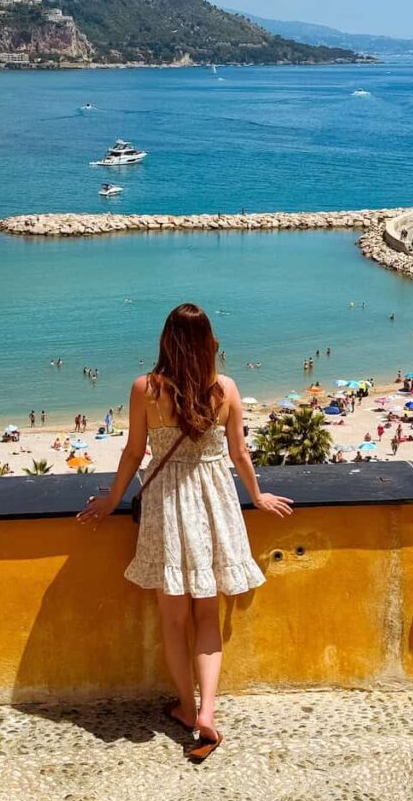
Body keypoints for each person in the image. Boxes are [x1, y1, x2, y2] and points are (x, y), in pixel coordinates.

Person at [77, 303, 292, 761]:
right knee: (208, 617)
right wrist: (257, 497)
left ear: (166, 341)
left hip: (169, 508)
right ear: (208, 342)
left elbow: (134, 453)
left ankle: (188, 708)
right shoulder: (225, 389)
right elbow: (240, 455)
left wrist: (111, 501)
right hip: (214, 505)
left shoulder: (146, 389)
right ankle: (209, 711)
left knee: (174, 621)